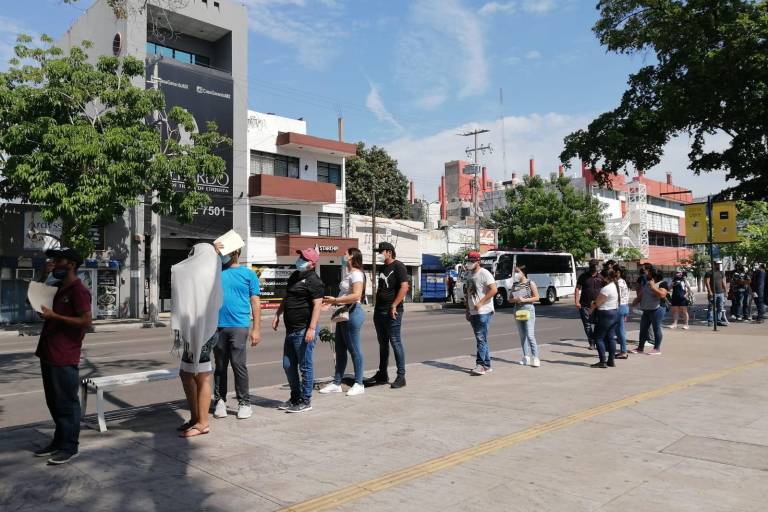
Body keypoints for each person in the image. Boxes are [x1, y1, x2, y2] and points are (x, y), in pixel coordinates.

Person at [33, 248, 92, 465]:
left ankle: (69, 446)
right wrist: (42, 275)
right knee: (54, 402)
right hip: (48, 351)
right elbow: (38, 300)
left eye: (59, 260)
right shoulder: (57, 287)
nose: (55, 263)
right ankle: (58, 441)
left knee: (67, 403)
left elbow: (86, 322)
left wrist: (55, 316)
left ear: (72, 264)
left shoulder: (78, 291)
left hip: (64, 354)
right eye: (54, 260)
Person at [171, 243, 222, 438]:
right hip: (194, 332)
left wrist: (212, 253)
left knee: (201, 376)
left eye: (193, 253)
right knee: (186, 373)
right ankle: (195, 417)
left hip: (203, 333)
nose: (190, 257)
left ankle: (203, 423)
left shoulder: (207, 273)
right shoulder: (209, 269)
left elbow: (180, 270)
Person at [212, 244, 261, 420]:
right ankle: (219, 401)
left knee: (238, 365)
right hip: (217, 326)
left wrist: (256, 329)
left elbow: (255, 302)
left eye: (228, 252)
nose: (225, 255)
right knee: (220, 367)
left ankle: (244, 403)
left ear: (237, 252)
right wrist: (214, 253)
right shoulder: (215, 272)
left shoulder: (248, 274)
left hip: (239, 326)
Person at [273, 248, 324, 413]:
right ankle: (295, 397)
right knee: (288, 365)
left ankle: (306, 400)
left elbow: (317, 305)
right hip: (291, 330)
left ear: (312, 263)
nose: (300, 259)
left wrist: (312, 328)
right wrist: (278, 314)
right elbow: (287, 297)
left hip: (303, 330)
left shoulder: (314, 280)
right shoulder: (295, 276)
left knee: (305, 366)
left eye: (303, 258)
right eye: (300, 256)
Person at [320, 248, 367, 396]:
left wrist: (335, 300)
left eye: (346, 254)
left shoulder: (357, 274)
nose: (343, 255)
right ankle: (337, 383)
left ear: (352, 256)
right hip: (343, 313)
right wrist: (331, 303)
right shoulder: (349, 274)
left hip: (353, 313)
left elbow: (356, 295)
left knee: (354, 350)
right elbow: (345, 294)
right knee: (340, 350)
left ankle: (359, 383)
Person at [364, 242, 409, 389]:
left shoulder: (398, 266)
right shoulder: (383, 267)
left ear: (389, 252)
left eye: (381, 251)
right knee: (383, 344)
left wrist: (394, 305)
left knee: (395, 342)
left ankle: (401, 376)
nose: (379, 254)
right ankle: (382, 374)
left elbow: (404, 287)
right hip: (379, 311)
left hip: (392, 311)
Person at [462, 251, 497, 375]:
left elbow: (494, 290)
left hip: (483, 311)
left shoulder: (484, 273)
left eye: (472, 261)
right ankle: (486, 365)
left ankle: (480, 365)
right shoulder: (468, 274)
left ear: (478, 261)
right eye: (468, 261)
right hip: (473, 311)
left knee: (480, 338)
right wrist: (467, 310)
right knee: (482, 339)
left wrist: (481, 303)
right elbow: (467, 293)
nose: (469, 263)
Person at [588, 268, 621, 368]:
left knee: (598, 338)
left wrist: (591, 308)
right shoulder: (614, 286)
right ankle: (611, 360)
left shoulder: (606, 289)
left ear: (606, 277)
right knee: (611, 337)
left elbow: (598, 302)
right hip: (614, 313)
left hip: (605, 314)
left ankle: (602, 361)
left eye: (602, 276)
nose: (600, 278)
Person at [631, 268, 669, 355]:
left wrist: (653, 287)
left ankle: (657, 349)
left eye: (649, 273)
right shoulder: (647, 283)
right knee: (643, 329)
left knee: (656, 328)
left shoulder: (663, 283)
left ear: (654, 274)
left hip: (657, 309)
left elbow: (662, 295)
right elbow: (641, 295)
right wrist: (634, 302)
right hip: (647, 310)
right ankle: (640, 348)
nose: (647, 274)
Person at [509, 265, 541, 367]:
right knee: (522, 336)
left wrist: (524, 300)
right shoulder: (515, 284)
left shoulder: (530, 283)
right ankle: (526, 357)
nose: (516, 274)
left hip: (528, 309)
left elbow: (537, 297)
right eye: (515, 272)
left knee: (530, 335)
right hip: (517, 309)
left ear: (523, 272)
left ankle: (535, 358)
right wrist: (515, 299)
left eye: (518, 271)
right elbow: (509, 299)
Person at [574, 259, 604, 349]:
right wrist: (576, 301)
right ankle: (591, 343)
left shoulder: (601, 277)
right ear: (589, 266)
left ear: (598, 266)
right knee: (587, 325)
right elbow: (577, 288)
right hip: (585, 304)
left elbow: (606, 290)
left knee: (598, 324)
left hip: (598, 305)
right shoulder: (583, 276)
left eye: (595, 266)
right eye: (592, 266)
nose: (594, 267)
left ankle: (597, 341)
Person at [613, 265, 631, 359]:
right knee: (620, 330)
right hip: (625, 307)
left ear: (618, 272)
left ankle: (623, 352)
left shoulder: (619, 282)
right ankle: (622, 351)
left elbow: (617, 296)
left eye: (614, 271)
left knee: (619, 331)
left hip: (619, 307)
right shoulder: (625, 281)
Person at [705, 261, 729, 326]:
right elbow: (707, 282)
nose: (719, 265)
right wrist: (709, 291)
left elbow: (723, 282)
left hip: (721, 293)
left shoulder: (721, 272)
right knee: (711, 307)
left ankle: (719, 320)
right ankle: (710, 321)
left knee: (720, 307)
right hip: (713, 293)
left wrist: (726, 291)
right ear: (714, 265)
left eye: (719, 264)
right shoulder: (709, 273)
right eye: (717, 264)